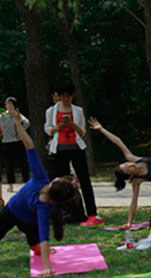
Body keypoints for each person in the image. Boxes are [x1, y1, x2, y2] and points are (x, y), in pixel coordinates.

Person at [0, 100, 77, 277]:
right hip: (12, 210)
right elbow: (30, 146)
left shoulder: (44, 205)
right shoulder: (42, 182)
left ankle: (36, 251)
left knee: (40, 248)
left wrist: (46, 267)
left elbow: (43, 237)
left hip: (28, 221)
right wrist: (17, 122)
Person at [45, 81, 101, 227]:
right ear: (59, 96)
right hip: (59, 150)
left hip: (76, 148)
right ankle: (62, 214)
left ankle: (92, 213)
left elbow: (82, 132)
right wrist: (58, 127)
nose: (66, 99)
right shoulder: (51, 111)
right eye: (63, 96)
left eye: (68, 96)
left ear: (72, 96)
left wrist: (73, 125)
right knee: (60, 183)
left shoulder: (78, 111)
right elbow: (47, 129)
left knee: (84, 180)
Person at [87, 117, 151, 229]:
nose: (129, 164)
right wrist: (129, 222)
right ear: (130, 175)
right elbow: (134, 202)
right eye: (128, 169)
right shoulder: (137, 180)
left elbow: (118, 141)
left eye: (126, 164)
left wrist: (101, 129)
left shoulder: (133, 158)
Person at [0, 97, 30, 193]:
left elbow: (27, 123)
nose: (8, 105)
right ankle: (10, 186)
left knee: (23, 163)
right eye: (7, 104)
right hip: (7, 142)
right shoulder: (2, 116)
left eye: (10, 103)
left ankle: (26, 183)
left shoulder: (18, 114)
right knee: (9, 165)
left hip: (18, 142)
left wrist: (20, 130)